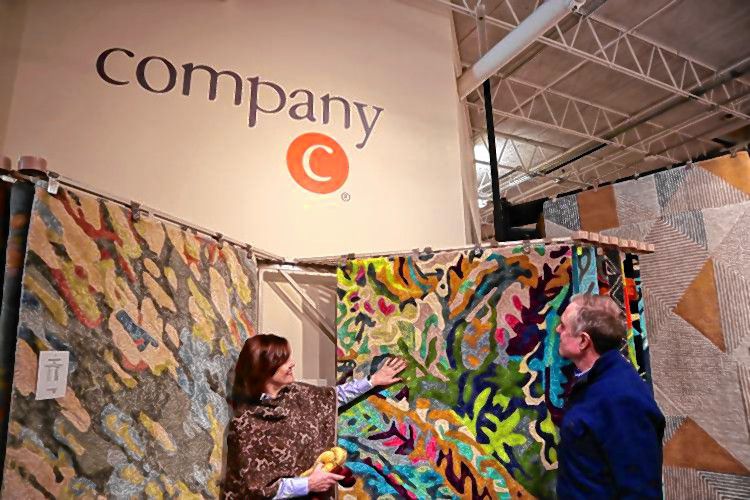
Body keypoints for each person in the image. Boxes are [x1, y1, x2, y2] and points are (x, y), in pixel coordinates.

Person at [223, 334, 406, 499]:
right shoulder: (245, 424)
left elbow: (334, 397)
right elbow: (250, 490)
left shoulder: (297, 393)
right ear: (266, 369)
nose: (292, 363)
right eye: (285, 360)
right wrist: (307, 484)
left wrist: (372, 381)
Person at [556, 294, 665, 499]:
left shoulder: (623, 400)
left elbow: (640, 490)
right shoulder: (593, 379)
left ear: (582, 341)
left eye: (563, 326)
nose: (558, 331)